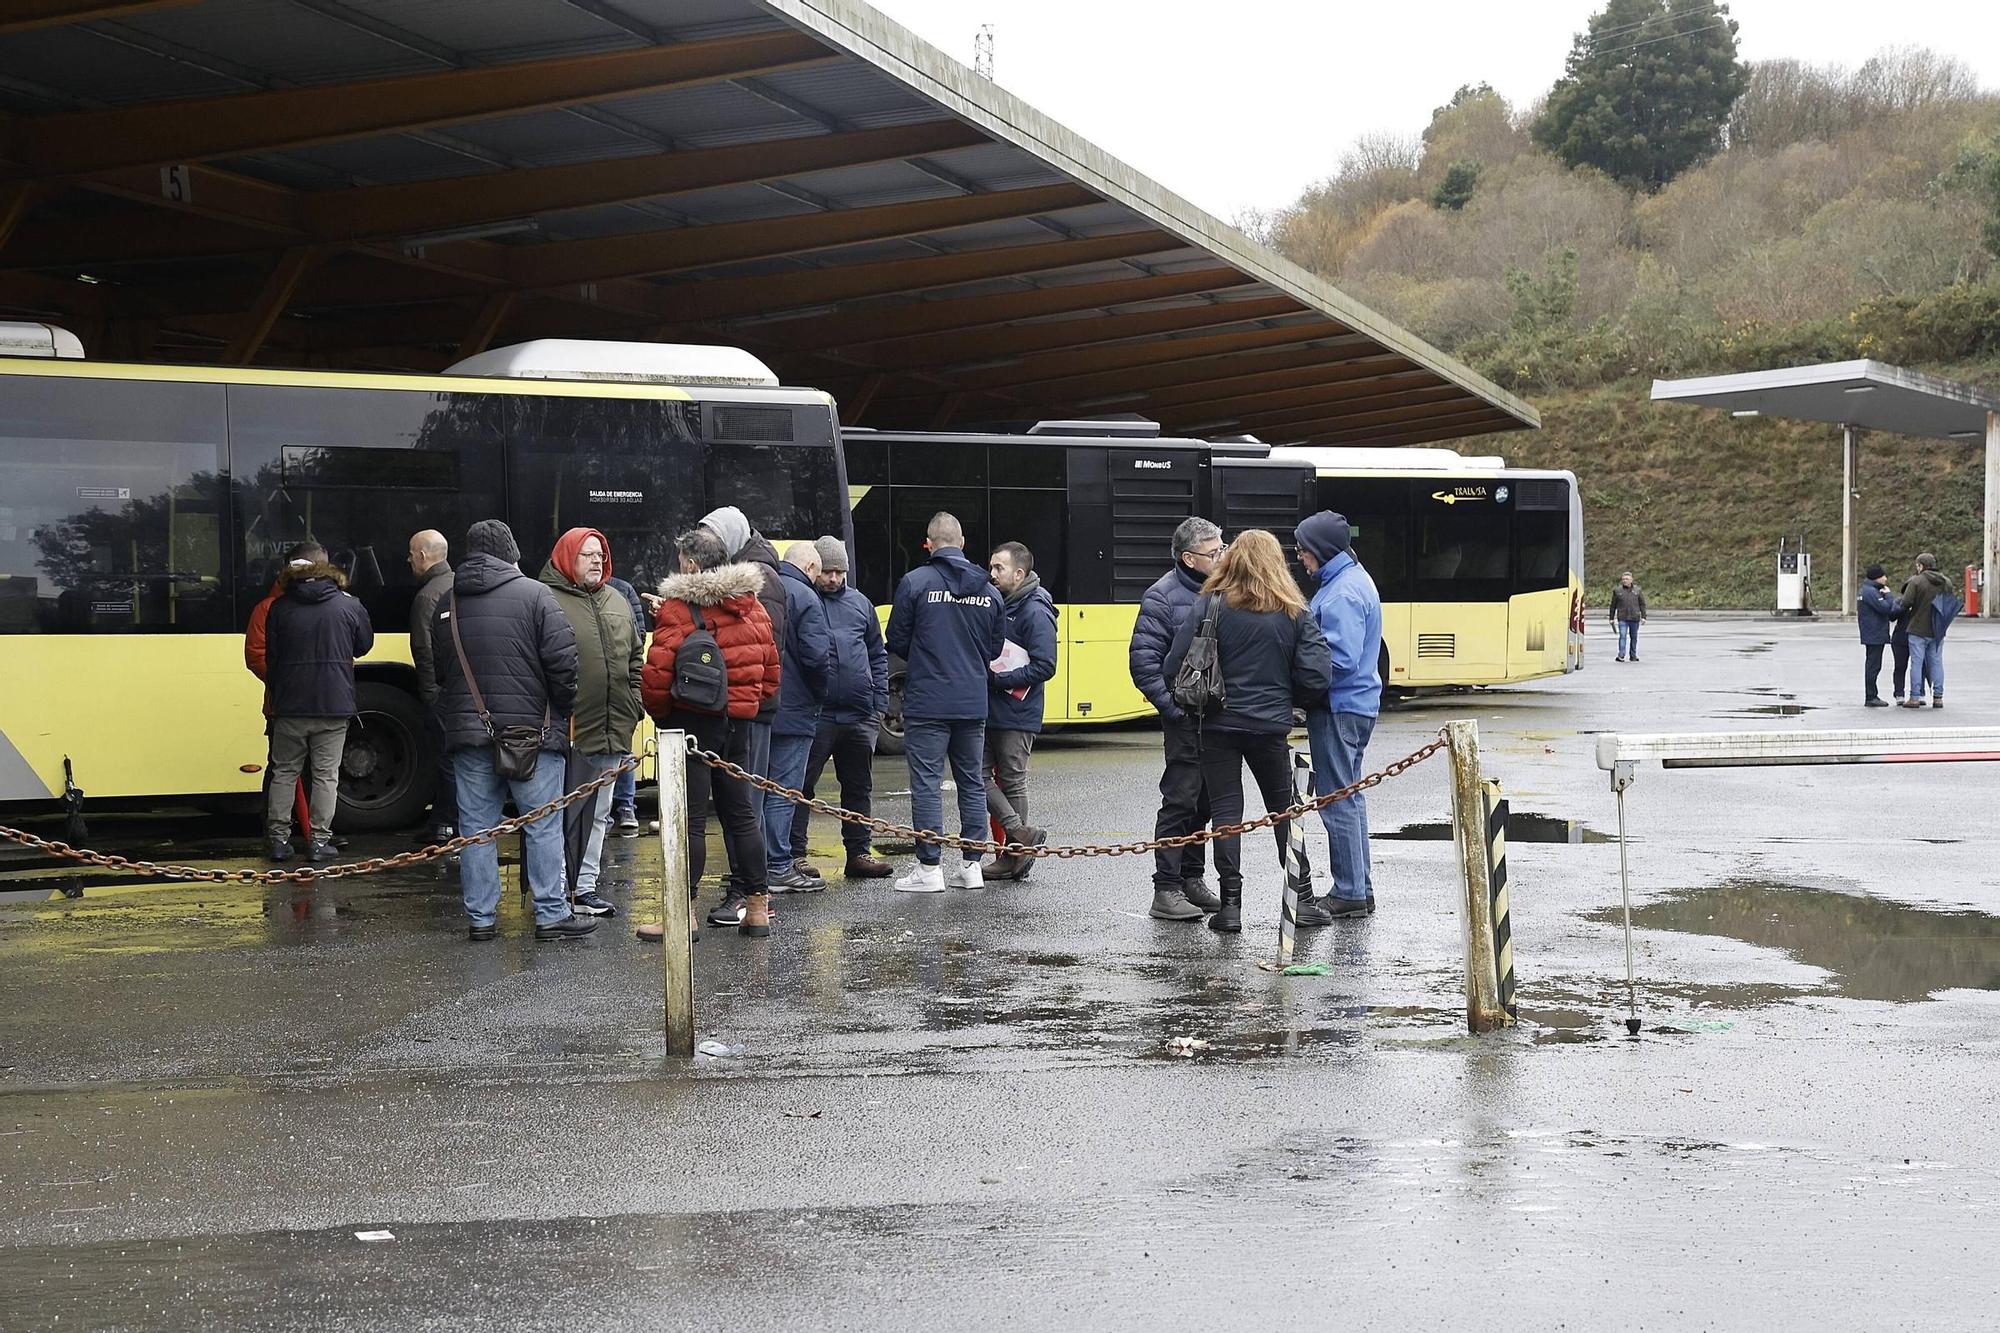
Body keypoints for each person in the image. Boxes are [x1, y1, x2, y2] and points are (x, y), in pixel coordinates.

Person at [1161, 530, 1330, 935]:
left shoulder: (1212, 604)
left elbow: (1173, 665)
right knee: (1284, 811)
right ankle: (1301, 898)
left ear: (1232, 559)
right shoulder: (1294, 611)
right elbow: (1317, 674)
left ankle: (1231, 906)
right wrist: (1288, 698)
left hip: (1217, 723)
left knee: (1226, 813)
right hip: (1271, 726)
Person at [431, 519, 589, 942]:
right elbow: (564, 663)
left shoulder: (448, 601)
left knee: (476, 830)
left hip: (469, 733)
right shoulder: (537, 595)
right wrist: (560, 710)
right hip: (532, 737)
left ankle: (481, 919)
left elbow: (440, 670)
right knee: (541, 824)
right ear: (511, 552)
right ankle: (551, 914)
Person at [640, 527, 781, 936]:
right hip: (738, 725)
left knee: (692, 820)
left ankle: (681, 916)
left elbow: (656, 677)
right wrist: (745, 706)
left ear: (690, 564)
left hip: (692, 724)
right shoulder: (753, 607)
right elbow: (771, 674)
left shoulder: (679, 609)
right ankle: (756, 909)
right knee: (741, 816)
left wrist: (664, 717)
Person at [884, 511, 1006, 893]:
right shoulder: (989, 591)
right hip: (972, 701)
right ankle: (972, 865)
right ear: (963, 543)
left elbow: (898, 640)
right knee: (972, 781)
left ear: (930, 543)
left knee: (926, 783)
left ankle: (929, 867)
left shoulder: (915, 583)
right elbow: (995, 647)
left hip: (927, 700)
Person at [540, 527, 643, 918]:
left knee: (599, 812)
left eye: (601, 554)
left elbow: (636, 657)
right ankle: (557, 890)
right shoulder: (546, 599)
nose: (597, 561)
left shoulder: (616, 598)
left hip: (614, 727)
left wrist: (633, 702)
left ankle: (584, 888)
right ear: (568, 558)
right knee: (562, 813)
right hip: (569, 731)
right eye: (588, 555)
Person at [1130, 517, 1227, 922]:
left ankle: (1191, 879)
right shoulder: (1162, 598)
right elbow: (1143, 664)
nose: (1222, 556)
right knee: (1180, 801)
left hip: (1218, 721)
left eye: (1224, 547)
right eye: (1214, 552)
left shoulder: (1223, 592)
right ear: (1189, 558)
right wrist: (1174, 711)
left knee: (1203, 803)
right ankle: (1165, 888)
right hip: (1185, 721)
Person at [791, 535, 893, 879]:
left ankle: (859, 852)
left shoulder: (861, 604)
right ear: (815, 569)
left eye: (840, 572)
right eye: (828, 571)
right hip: (818, 714)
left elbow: (877, 654)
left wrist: (878, 705)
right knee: (802, 786)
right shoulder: (805, 600)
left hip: (859, 714)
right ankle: (796, 856)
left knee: (859, 787)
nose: (833, 578)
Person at [263, 545, 374, 862]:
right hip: (333, 703)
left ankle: (278, 841)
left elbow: (272, 658)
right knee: (326, 775)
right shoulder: (348, 605)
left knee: (284, 771)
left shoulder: (280, 607)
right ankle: (319, 841)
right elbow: (363, 646)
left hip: (290, 706)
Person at [1297, 511, 1383, 918]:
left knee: (1336, 800)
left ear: (1321, 550)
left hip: (1337, 706)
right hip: (1355, 704)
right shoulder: (1351, 580)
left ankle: (1348, 891)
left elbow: (1338, 660)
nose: (1300, 556)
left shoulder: (1341, 593)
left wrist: (1299, 682)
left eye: (1304, 549)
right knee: (1349, 796)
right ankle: (1358, 887)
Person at [699, 505, 788, 893]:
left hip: (747, 709)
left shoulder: (758, 578)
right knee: (739, 805)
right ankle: (747, 890)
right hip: (743, 705)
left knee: (744, 806)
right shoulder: (746, 573)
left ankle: (749, 892)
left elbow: (763, 649)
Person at [983, 540, 1057, 881]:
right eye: (992, 566)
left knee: (1011, 779)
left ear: (1019, 573)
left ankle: (1015, 854)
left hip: (1016, 710)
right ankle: (1017, 841)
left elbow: (1046, 666)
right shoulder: (1003, 604)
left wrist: (1000, 680)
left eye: (999, 568)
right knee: (977, 774)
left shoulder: (1035, 609)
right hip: (994, 708)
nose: (992, 573)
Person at [765, 541, 834, 892]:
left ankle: (757, 865)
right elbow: (817, 658)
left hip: (762, 708)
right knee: (783, 789)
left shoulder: (766, 589)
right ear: (809, 568)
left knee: (759, 787)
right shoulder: (807, 598)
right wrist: (820, 695)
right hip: (796, 710)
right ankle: (777, 864)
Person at [246, 544, 317, 849]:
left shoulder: (276, 607)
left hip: (299, 701)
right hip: (285, 704)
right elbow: (256, 655)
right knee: (282, 769)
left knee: (312, 771)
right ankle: (277, 832)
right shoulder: (268, 608)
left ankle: (309, 832)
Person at [407, 529, 457, 841]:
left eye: (412, 553)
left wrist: (429, 694)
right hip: (464, 690)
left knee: (445, 757)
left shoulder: (427, 595)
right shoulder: (458, 585)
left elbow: (423, 650)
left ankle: (445, 823)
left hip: (442, 691)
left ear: (423, 557)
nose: (409, 558)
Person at [602, 571, 647, 837]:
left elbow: (638, 634)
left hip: (619, 683)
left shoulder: (622, 589)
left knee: (624, 749)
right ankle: (607, 813)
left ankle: (625, 807)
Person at [1898, 554, 1953, 709]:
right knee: (1936, 662)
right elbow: (1949, 601)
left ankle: (1914, 697)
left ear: (1921, 566)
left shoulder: (1916, 581)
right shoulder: (1946, 582)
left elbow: (1906, 602)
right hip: (1937, 629)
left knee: (1916, 662)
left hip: (1918, 628)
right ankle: (1938, 697)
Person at [1857, 563, 1901, 709]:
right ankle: (1871, 696)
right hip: (1874, 633)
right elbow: (1884, 608)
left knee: (1873, 664)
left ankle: (1872, 694)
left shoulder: (1869, 590)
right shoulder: (1870, 592)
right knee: (1873, 665)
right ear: (1877, 578)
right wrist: (1889, 595)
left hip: (1872, 632)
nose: (1886, 579)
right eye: (1883, 576)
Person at [1610, 572, 1647, 662]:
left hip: (1634, 617)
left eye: (1626, 579)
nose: (1625, 581)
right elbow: (1613, 605)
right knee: (1622, 636)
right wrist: (1611, 618)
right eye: (1623, 579)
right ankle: (1621, 655)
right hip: (1623, 617)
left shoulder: (1637, 590)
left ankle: (1633, 655)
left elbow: (1642, 604)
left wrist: (1643, 616)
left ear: (1631, 580)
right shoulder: (1617, 591)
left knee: (1634, 637)